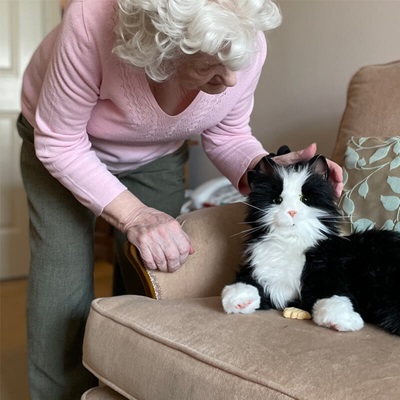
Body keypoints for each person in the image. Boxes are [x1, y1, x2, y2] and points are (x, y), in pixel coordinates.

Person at [17, 0, 343, 398]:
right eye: (211, 66)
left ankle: (122, 383)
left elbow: (228, 133)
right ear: (163, 46)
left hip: (156, 153)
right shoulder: (90, 19)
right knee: (62, 281)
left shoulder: (244, 37)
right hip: (62, 146)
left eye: (235, 63)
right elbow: (60, 143)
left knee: (156, 274)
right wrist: (134, 214)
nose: (230, 81)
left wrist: (269, 169)